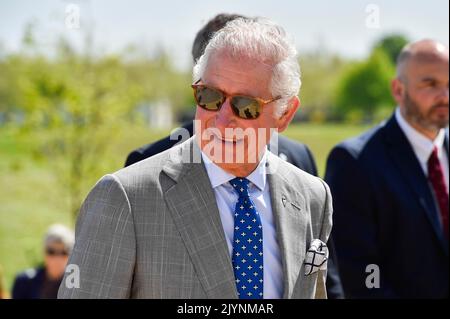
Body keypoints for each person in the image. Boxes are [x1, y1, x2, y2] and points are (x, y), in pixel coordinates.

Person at [58, 17, 333, 299]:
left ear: (285, 113)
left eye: (245, 105)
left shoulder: (312, 197)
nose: (223, 119)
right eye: (210, 96)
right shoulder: (125, 198)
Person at [325, 39, 449, 298]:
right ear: (398, 89)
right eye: (430, 84)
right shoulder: (354, 161)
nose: (444, 97)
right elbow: (360, 276)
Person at [12, 224, 74, 299]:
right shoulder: (24, 282)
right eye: (51, 252)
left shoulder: (75, 287)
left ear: (72, 255)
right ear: (44, 252)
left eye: (64, 252)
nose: (57, 258)